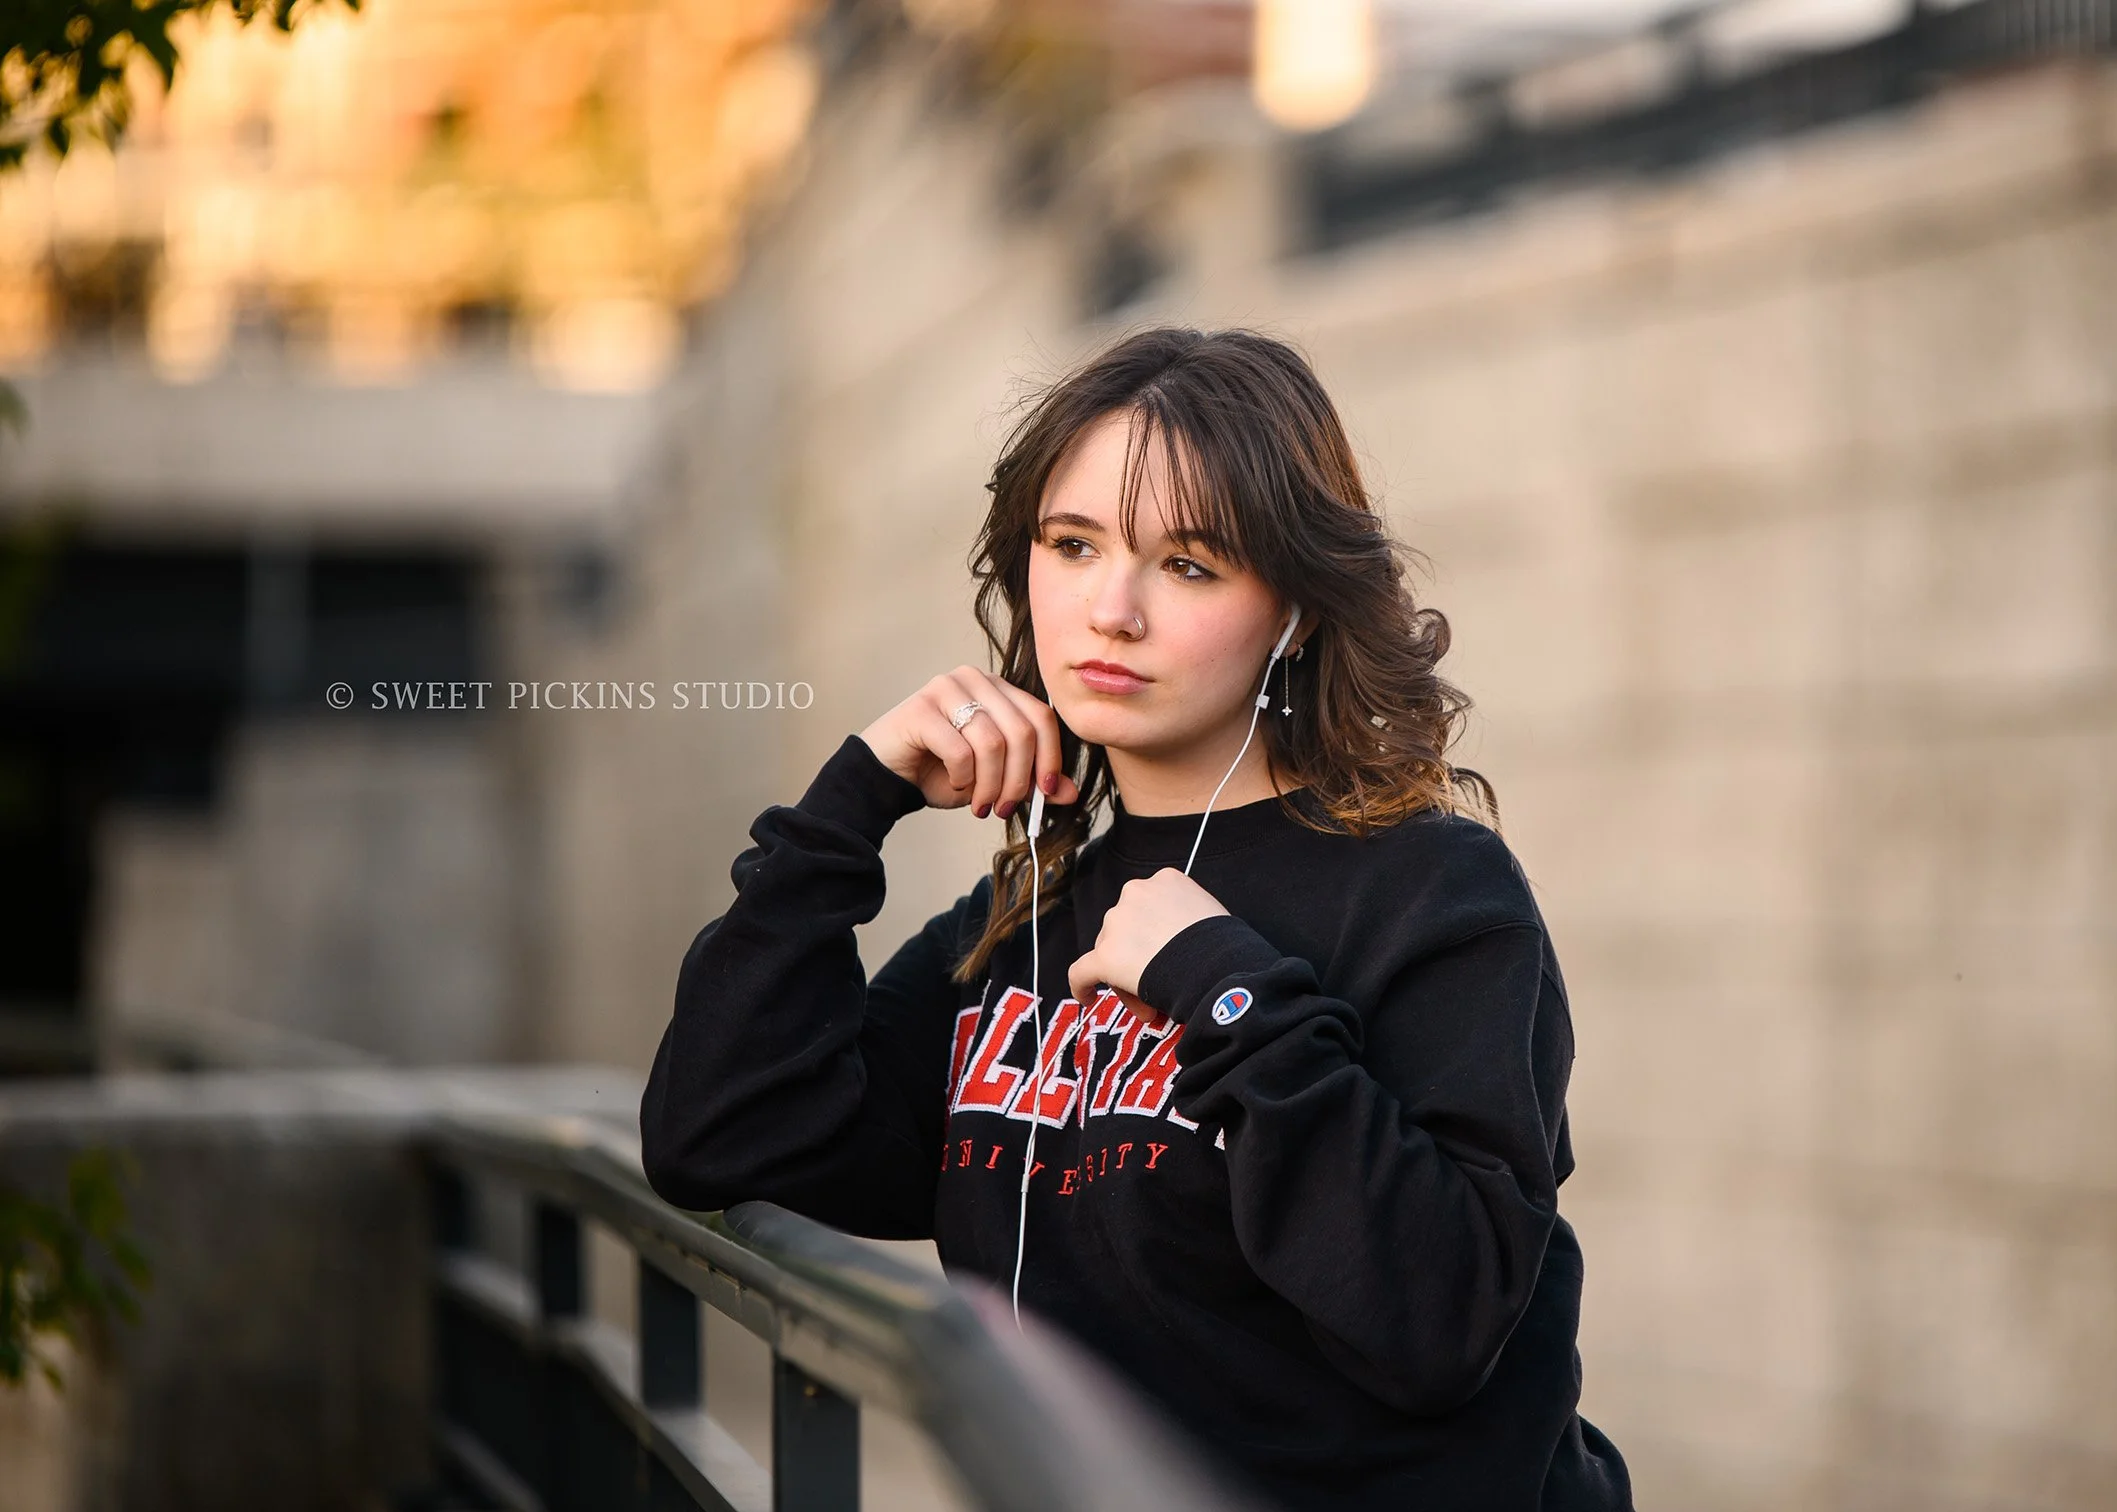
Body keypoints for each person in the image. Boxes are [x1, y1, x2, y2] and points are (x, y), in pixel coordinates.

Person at [639, 326, 1633, 1511]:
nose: (1109, 610)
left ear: (1296, 615)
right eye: (1072, 546)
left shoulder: (1431, 895)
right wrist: (854, 800)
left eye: (1190, 564)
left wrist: (1225, 989)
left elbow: (1432, 1319)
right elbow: (716, 1135)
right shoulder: (1022, 921)